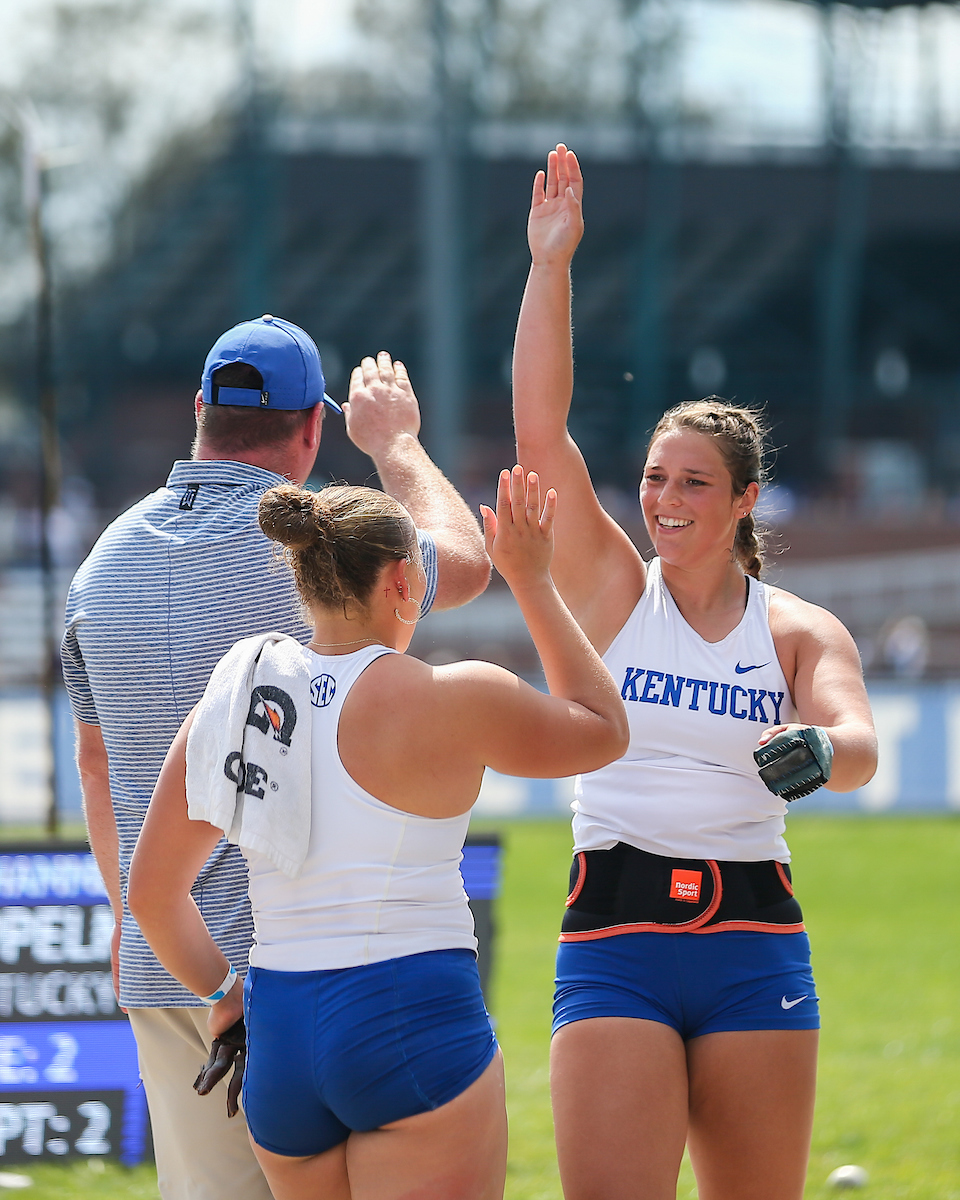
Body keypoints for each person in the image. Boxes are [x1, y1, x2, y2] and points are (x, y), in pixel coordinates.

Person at [512, 147, 878, 1200]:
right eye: (654, 479)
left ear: (746, 500)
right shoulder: (619, 592)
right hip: (616, 935)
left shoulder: (799, 630)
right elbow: (542, 433)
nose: (665, 500)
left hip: (756, 941)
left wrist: (820, 752)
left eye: (694, 484)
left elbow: (855, 745)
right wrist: (552, 265)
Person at [61, 317, 491, 1200]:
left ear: (198, 412)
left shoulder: (99, 567)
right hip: (308, 962)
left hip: (170, 954)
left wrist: (139, 919)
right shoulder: (323, 555)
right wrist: (399, 445)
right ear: (312, 429)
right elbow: (467, 561)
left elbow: (98, 769)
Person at [126, 466, 629, 1200]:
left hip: (283, 1029)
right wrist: (531, 579)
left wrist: (226, 995)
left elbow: (150, 894)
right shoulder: (453, 695)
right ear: (402, 581)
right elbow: (605, 730)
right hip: (409, 1010)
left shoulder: (233, 701)